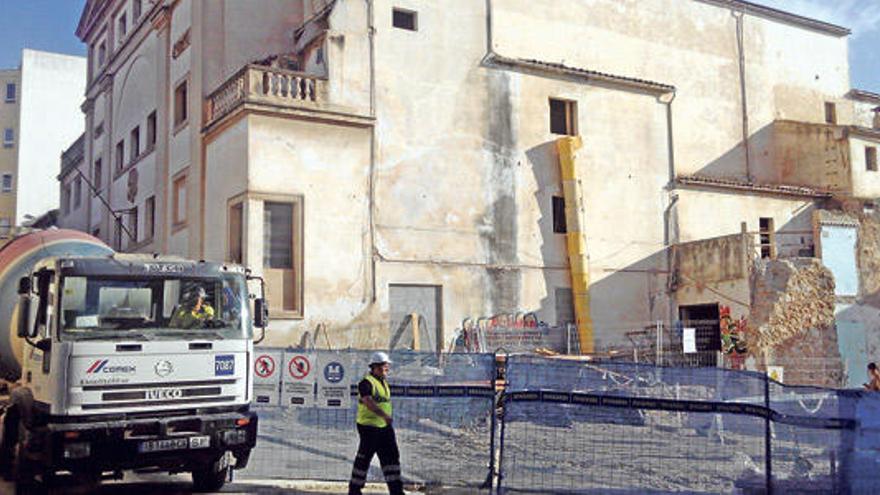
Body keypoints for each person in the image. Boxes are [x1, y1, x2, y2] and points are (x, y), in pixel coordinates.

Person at [348, 352, 404, 495]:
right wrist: (384, 415)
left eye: (387, 366)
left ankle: (396, 490)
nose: (387, 369)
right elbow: (368, 402)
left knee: (391, 457)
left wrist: (385, 419)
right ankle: (354, 490)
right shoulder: (366, 383)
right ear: (375, 367)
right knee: (364, 458)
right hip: (369, 427)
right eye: (384, 367)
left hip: (384, 427)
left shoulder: (383, 383)